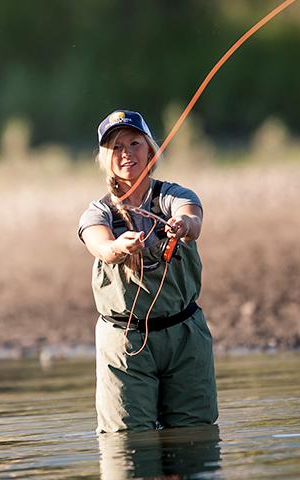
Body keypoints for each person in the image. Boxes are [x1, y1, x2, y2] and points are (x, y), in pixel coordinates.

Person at [77, 109, 218, 433]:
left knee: (195, 436)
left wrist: (183, 225)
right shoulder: (97, 212)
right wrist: (119, 247)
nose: (127, 153)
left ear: (150, 149)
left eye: (135, 143)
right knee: (129, 445)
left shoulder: (176, 196)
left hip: (184, 338)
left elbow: (193, 221)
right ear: (105, 158)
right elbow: (99, 245)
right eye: (117, 147)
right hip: (125, 343)